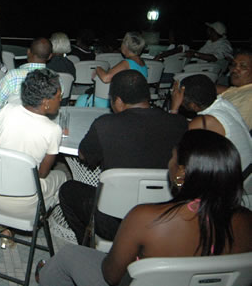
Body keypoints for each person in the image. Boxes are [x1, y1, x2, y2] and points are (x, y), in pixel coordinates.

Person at [37, 130, 252, 286]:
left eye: (173, 158)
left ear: (181, 174)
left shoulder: (146, 218)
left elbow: (111, 275)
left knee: (67, 256)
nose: (169, 163)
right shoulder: (247, 221)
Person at [60, 70, 188, 243]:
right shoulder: (179, 123)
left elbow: (85, 156)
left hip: (113, 223)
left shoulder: (105, 125)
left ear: (118, 101)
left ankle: (87, 243)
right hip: (165, 219)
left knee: (68, 190)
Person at [0, 69, 67, 219]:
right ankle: (43, 217)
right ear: (46, 102)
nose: (60, 100)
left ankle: (3, 222)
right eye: (58, 96)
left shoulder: (7, 110)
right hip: (22, 201)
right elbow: (42, 174)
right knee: (62, 177)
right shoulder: (53, 130)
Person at [170, 73, 251, 171]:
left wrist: (174, 108)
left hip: (235, 177)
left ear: (193, 106)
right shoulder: (224, 104)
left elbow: (173, 143)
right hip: (246, 170)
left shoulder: (205, 121)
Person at [0, 37, 52, 133]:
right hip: (40, 126)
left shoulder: (13, 76)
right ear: (50, 56)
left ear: (28, 52)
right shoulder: (56, 80)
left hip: (9, 126)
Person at [77, 31, 147, 108]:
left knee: (82, 99)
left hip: (125, 101)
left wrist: (98, 68)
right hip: (135, 100)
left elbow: (106, 78)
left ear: (126, 46)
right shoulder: (142, 63)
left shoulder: (127, 63)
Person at [217, 50, 252, 129]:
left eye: (243, 66)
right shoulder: (241, 89)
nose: (235, 69)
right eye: (234, 65)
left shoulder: (249, 98)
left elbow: (232, 129)